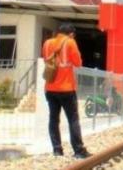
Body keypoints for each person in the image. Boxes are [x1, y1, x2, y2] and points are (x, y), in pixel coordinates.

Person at [42, 23, 91, 159]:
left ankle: (57, 150)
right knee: (73, 119)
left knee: (53, 119)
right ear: (71, 34)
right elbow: (78, 63)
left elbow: (47, 60)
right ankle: (79, 150)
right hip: (66, 88)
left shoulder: (47, 43)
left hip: (50, 88)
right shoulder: (70, 42)